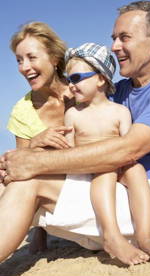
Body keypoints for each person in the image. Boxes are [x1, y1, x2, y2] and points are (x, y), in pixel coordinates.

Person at [0, 1, 150, 265]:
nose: (115, 46)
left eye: (124, 37)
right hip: (114, 194)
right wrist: (33, 147)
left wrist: (34, 161)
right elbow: (71, 111)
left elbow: (127, 150)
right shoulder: (117, 92)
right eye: (113, 38)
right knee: (9, 182)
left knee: (30, 182)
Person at [64, 42, 150, 264]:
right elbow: (69, 152)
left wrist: (125, 166)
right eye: (68, 79)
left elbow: (128, 147)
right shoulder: (73, 114)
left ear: (101, 78)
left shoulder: (120, 112)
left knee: (137, 170)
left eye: (75, 78)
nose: (70, 86)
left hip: (118, 162)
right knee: (105, 171)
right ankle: (111, 234)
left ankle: (144, 236)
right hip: (90, 167)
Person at [5, 21, 75, 254]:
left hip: (89, 186)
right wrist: (34, 143)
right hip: (47, 193)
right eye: (19, 60)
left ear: (55, 58)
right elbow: (22, 168)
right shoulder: (22, 110)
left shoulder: (82, 90)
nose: (24, 67)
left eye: (31, 57)